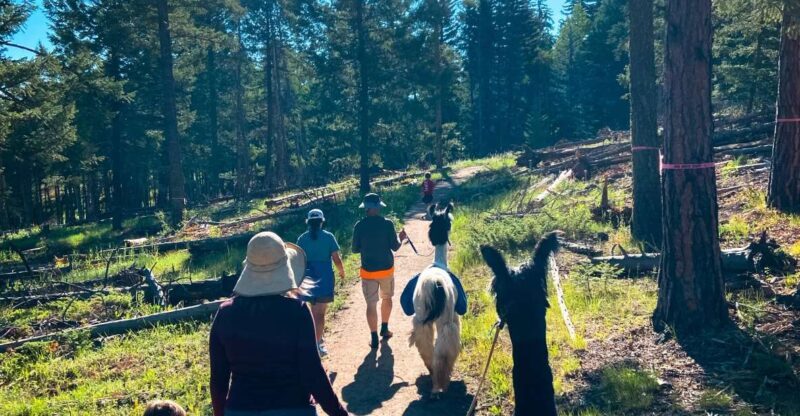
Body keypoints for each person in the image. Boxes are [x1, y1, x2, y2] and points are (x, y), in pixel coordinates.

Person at [209, 232, 348, 416]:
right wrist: (339, 413)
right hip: (293, 407)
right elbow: (312, 372)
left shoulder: (226, 313)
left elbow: (218, 380)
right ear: (286, 268)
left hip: (241, 408)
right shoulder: (296, 311)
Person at [352, 193, 407, 348]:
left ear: (365, 208)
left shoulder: (359, 226)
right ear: (378, 207)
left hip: (368, 271)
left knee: (371, 304)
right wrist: (401, 238)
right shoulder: (387, 224)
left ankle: (374, 337)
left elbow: (355, 249)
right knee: (387, 298)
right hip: (386, 270)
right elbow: (395, 247)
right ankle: (384, 328)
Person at [297, 209, 346, 357]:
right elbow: (336, 259)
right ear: (322, 221)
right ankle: (317, 344)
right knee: (320, 314)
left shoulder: (302, 239)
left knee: (313, 312)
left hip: (307, 278)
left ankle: (315, 339)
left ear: (308, 222)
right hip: (324, 277)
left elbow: (297, 260)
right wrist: (341, 272)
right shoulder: (328, 237)